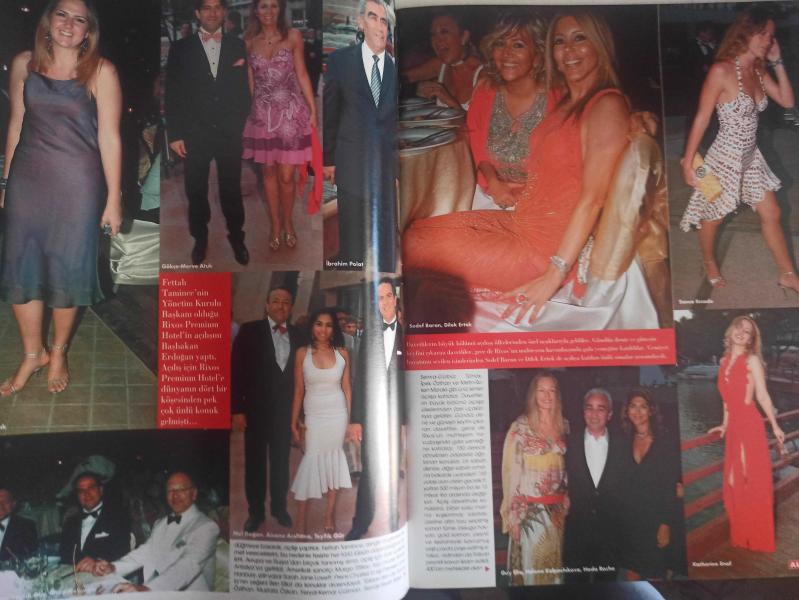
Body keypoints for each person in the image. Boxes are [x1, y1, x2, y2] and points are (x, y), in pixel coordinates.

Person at [403, 11, 633, 324]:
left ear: (600, 44)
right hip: (520, 222)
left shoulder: (606, 105)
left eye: (580, 38)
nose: (568, 49)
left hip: (543, 250)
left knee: (412, 247)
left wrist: (553, 275)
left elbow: (593, 199)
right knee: (416, 231)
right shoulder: (571, 100)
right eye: (560, 41)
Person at [0, 0, 123, 396]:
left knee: (68, 269)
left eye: (79, 19)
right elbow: (16, 124)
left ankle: (58, 352)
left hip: (77, 186)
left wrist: (114, 199)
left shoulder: (101, 71)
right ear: (48, 21)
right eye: (62, 15)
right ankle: (32, 354)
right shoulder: (24, 64)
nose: (69, 24)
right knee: (21, 266)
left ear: (89, 30)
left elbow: (110, 138)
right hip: (27, 182)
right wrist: (5, 182)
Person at [680, 7, 797, 292]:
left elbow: (787, 102)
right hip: (720, 159)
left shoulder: (757, 70)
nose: (768, 41)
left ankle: (788, 274)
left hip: (751, 157)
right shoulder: (721, 70)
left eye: (772, 36)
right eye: (763, 34)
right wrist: (688, 162)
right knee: (713, 217)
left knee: (772, 212)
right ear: (745, 32)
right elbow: (701, 118)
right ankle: (709, 261)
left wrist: (777, 62)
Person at [165, 0, 251, 266]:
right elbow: (173, 93)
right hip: (195, 133)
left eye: (217, 7)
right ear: (197, 13)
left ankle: (237, 238)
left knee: (231, 190)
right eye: (207, 7)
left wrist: (240, 123)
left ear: (224, 12)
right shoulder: (180, 48)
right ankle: (200, 239)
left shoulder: (238, 46)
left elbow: (244, 91)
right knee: (195, 190)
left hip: (228, 133)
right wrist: (175, 134)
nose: (212, 13)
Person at [323, 0, 398, 272]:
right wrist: (328, 160)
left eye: (384, 20)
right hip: (351, 165)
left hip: (385, 171)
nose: (379, 25)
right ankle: (352, 276)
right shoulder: (340, 61)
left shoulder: (395, 68)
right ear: (360, 22)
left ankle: (385, 277)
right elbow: (330, 113)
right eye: (373, 17)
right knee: (352, 241)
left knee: (385, 241)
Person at [241, 0, 317, 252]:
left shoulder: (293, 36)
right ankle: (275, 225)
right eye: (263, 6)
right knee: (268, 174)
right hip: (262, 115)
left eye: (274, 6)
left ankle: (288, 222)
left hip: (290, 115)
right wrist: (252, 112)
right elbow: (250, 80)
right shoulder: (248, 41)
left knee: (286, 176)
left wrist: (313, 108)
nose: (269, 11)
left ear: (280, 9)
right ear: (255, 10)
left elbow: (302, 73)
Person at [710, 315, 785, 552]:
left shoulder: (752, 360)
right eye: (739, 327)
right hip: (734, 426)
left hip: (749, 423)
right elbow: (726, 400)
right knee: (734, 481)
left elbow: (762, 396)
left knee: (746, 479)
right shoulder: (723, 361)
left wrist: (775, 426)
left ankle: (755, 536)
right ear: (730, 330)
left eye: (747, 332)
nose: (742, 333)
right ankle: (744, 532)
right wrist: (724, 424)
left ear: (751, 340)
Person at [231, 286, 302, 532]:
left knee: (281, 463)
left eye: (286, 302)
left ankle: (279, 509)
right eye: (276, 301)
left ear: (291, 308)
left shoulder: (299, 334)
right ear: (267, 305)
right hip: (255, 412)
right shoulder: (249, 331)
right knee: (255, 464)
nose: (281, 306)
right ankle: (256, 512)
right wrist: (237, 410)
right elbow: (236, 371)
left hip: (285, 413)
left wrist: (300, 414)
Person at [466, 12, 547, 210]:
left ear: (537, 56)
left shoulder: (558, 98)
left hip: (543, 201)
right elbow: (477, 152)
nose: (506, 53)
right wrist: (494, 184)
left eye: (518, 45)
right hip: (489, 194)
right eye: (500, 43)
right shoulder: (485, 91)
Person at [346, 277, 404, 540]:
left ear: (395, 298)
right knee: (370, 470)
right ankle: (361, 522)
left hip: (397, 416)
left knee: (393, 469)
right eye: (380, 298)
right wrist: (356, 419)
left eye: (388, 296)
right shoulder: (369, 335)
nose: (385, 302)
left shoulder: (407, 333)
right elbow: (360, 380)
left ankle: (392, 518)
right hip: (373, 415)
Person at [92, 472, 219, 592]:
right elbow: (145, 553)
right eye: (170, 491)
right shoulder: (161, 523)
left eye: (181, 490)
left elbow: (187, 567)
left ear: (194, 493)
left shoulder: (206, 527)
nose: (175, 495)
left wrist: (147, 589)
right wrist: (113, 567)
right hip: (155, 590)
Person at [499, 372, 567, 585]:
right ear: (533, 395)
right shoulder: (519, 428)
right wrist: (514, 518)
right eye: (541, 390)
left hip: (557, 513)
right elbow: (511, 475)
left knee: (553, 570)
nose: (547, 396)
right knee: (532, 571)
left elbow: (566, 467)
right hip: (530, 513)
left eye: (552, 391)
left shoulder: (564, 426)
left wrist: (567, 493)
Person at [289, 308, 353, 534]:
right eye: (319, 324)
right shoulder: (302, 353)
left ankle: (329, 515)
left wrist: (349, 421)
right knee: (311, 461)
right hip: (314, 416)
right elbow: (298, 390)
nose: (323, 330)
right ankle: (300, 520)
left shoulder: (343, 353)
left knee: (334, 462)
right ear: (311, 327)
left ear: (334, 329)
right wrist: (293, 422)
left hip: (338, 415)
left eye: (328, 325)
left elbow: (347, 389)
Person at [562, 388, 625, 582]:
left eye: (601, 409)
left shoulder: (623, 445)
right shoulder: (568, 443)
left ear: (610, 414)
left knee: (606, 586)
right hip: (577, 532)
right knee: (575, 586)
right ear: (583, 412)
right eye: (589, 408)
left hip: (610, 534)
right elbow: (558, 476)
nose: (594, 414)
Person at [617, 390, 680, 580]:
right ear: (627, 410)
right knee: (632, 574)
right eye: (633, 406)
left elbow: (670, 486)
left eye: (643, 407)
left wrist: (665, 524)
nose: (637, 412)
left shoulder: (665, 441)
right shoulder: (624, 440)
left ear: (651, 410)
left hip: (656, 519)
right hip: (631, 520)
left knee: (656, 574)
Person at [402, 10, 483, 111]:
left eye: (444, 32)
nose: (437, 40)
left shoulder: (482, 74)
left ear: (464, 37)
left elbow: (480, 121)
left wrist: (447, 99)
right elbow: (403, 78)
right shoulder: (440, 65)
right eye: (433, 34)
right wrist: (415, 88)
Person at [59, 472, 131, 569]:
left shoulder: (118, 517)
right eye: (81, 491)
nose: (87, 494)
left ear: (100, 490)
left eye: (91, 488)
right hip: (75, 574)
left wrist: (96, 562)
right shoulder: (70, 522)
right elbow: (64, 553)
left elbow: (122, 551)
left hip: (106, 573)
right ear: (77, 496)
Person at [0, 487, 37, 561]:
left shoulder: (26, 526)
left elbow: (29, 557)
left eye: (5, 502)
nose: (0, 506)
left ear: (13, 504)